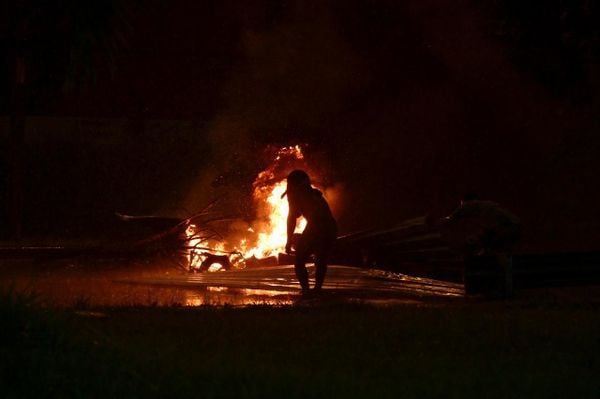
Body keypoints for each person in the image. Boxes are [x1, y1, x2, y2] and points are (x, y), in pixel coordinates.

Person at [443, 193, 521, 297]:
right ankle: (504, 288)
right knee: (502, 260)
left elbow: (453, 218)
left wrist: (437, 223)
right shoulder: (487, 209)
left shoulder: (471, 206)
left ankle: (503, 290)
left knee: (500, 257)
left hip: (505, 229)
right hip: (511, 227)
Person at [282, 170, 337, 294]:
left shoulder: (297, 194)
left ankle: (307, 291)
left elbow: (292, 218)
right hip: (330, 227)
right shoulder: (312, 192)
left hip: (317, 226)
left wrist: (289, 241)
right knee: (320, 259)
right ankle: (317, 289)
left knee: (300, 259)